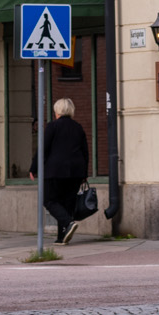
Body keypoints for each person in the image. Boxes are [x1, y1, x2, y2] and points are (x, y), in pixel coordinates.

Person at [39, 97, 89, 245]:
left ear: (57, 111)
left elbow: (44, 149)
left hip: (55, 170)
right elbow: (85, 152)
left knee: (48, 200)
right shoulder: (78, 127)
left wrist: (34, 168)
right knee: (66, 203)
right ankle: (62, 237)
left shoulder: (52, 127)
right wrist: (84, 173)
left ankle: (68, 223)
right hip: (75, 171)